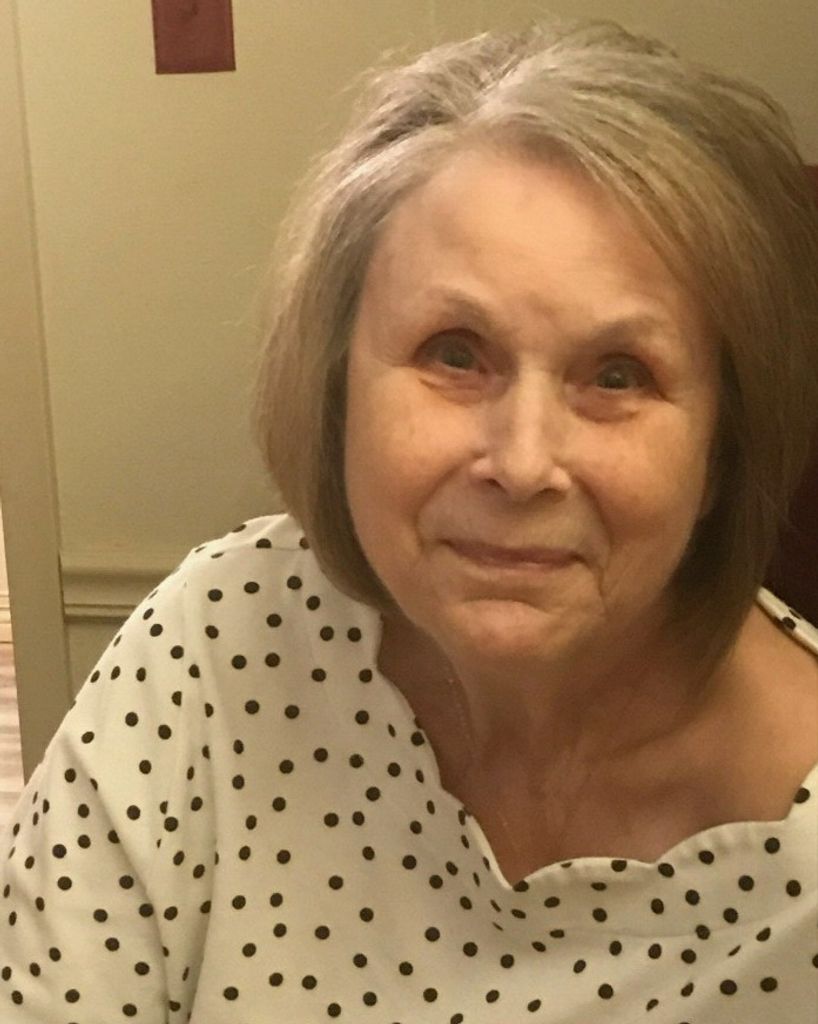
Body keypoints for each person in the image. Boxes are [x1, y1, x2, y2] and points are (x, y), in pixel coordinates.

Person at [1, 15, 817, 1023]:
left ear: (723, 444)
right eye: (454, 353)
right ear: (337, 386)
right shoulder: (214, 646)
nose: (522, 463)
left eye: (618, 375)